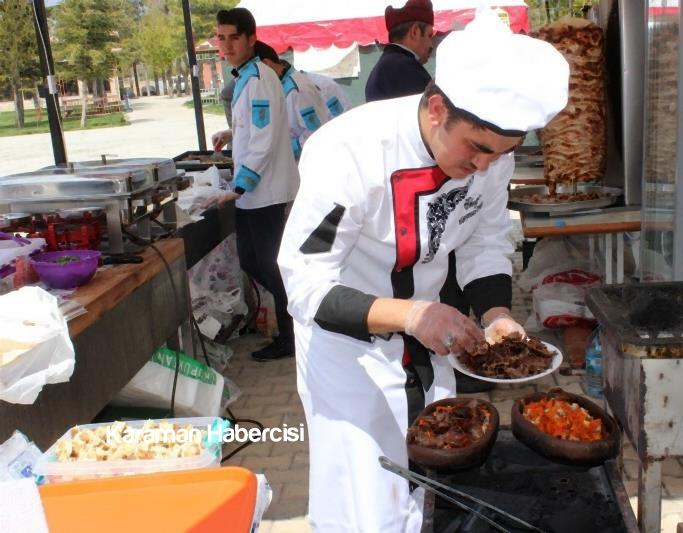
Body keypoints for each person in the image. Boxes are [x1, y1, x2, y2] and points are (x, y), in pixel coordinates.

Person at [278, 9, 569, 531]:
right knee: (366, 508)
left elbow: (485, 237)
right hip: (351, 356)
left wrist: (498, 314)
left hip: (431, 346)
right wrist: (411, 316)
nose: (484, 167)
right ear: (437, 109)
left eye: (500, 155)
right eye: (477, 150)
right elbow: (304, 281)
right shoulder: (348, 153)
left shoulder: (490, 156)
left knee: (432, 492)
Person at [206, 8, 299, 361]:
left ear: (250, 38)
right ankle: (292, 327)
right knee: (251, 259)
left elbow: (263, 138)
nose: (226, 45)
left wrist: (239, 186)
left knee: (271, 266)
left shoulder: (259, 77)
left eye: (233, 37)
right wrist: (232, 133)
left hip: (264, 193)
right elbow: (254, 127)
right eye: (221, 38)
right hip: (252, 193)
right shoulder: (247, 77)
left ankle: (293, 335)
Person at [254, 41, 330, 159]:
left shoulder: (298, 90)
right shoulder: (275, 86)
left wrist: (281, 149)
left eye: (250, 74)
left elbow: (316, 134)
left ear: (266, 64)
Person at [365, 0, 434, 102]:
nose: (431, 45)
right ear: (415, 32)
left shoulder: (387, 64)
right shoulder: (405, 67)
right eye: (429, 36)